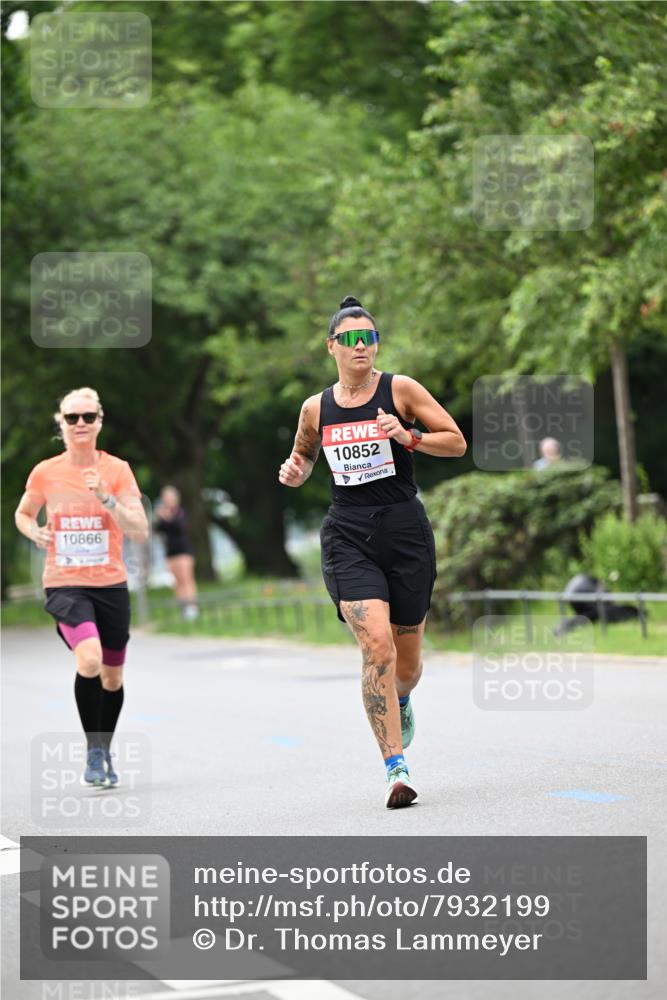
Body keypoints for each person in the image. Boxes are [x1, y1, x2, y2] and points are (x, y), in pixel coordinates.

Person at [278, 296, 466, 808]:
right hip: (348, 535)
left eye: (369, 338)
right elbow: (303, 455)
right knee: (377, 647)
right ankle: (395, 768)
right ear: (332, 347)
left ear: (376, 344)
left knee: (407, 665)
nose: (361, 346)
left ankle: (400, 697)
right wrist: (295, 471)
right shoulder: (315, 408)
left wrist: (409, 437)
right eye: (350, 339)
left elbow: (456, 442)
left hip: (404, 533)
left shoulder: (400, 389)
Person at [14, 387, 149, 787]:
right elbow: (23, 513)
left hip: (110, 584)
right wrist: (34, 532)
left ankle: (103, 748)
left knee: (112, 677)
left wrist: (107, 498)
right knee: (89, 659)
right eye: (72, 417)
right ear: (61, 423)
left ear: (99, 422)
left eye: (88, 417)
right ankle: (93, 752)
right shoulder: (46, 472)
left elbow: (139, 528)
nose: (80, 424)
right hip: (64, 583)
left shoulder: (117, 470)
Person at [154, 485, 199, 621]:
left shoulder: (181, 512)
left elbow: (179, 526)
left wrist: (167, 517)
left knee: (186, 579)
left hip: (183, 551)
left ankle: (192, 607)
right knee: (177, 582)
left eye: (170, 497)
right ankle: (183, 608)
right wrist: (159, 517)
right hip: (170, 552)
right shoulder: (162, 514)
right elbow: (158, 529)